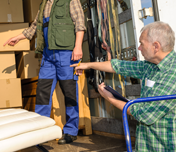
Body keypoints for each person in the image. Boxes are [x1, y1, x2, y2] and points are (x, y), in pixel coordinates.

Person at [4, 0, 86, 145]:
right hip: (48, 56)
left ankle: (70, 131)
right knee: (42, 93)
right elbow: (34, 27)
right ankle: (40, 132)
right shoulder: (43, 4)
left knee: (70, 93)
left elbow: (79, 22)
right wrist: (17, 37)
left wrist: (78, 47)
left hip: (66, 54)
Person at [72, 21, 176, 151]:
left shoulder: (172, 74)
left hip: (163, 147)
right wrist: (87, 65)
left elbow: (145, 115)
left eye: (141, 44)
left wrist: (111, 98)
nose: (139, 48)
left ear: (156, 46)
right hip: (146, 145)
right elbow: (118, 66)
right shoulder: (150, 66)